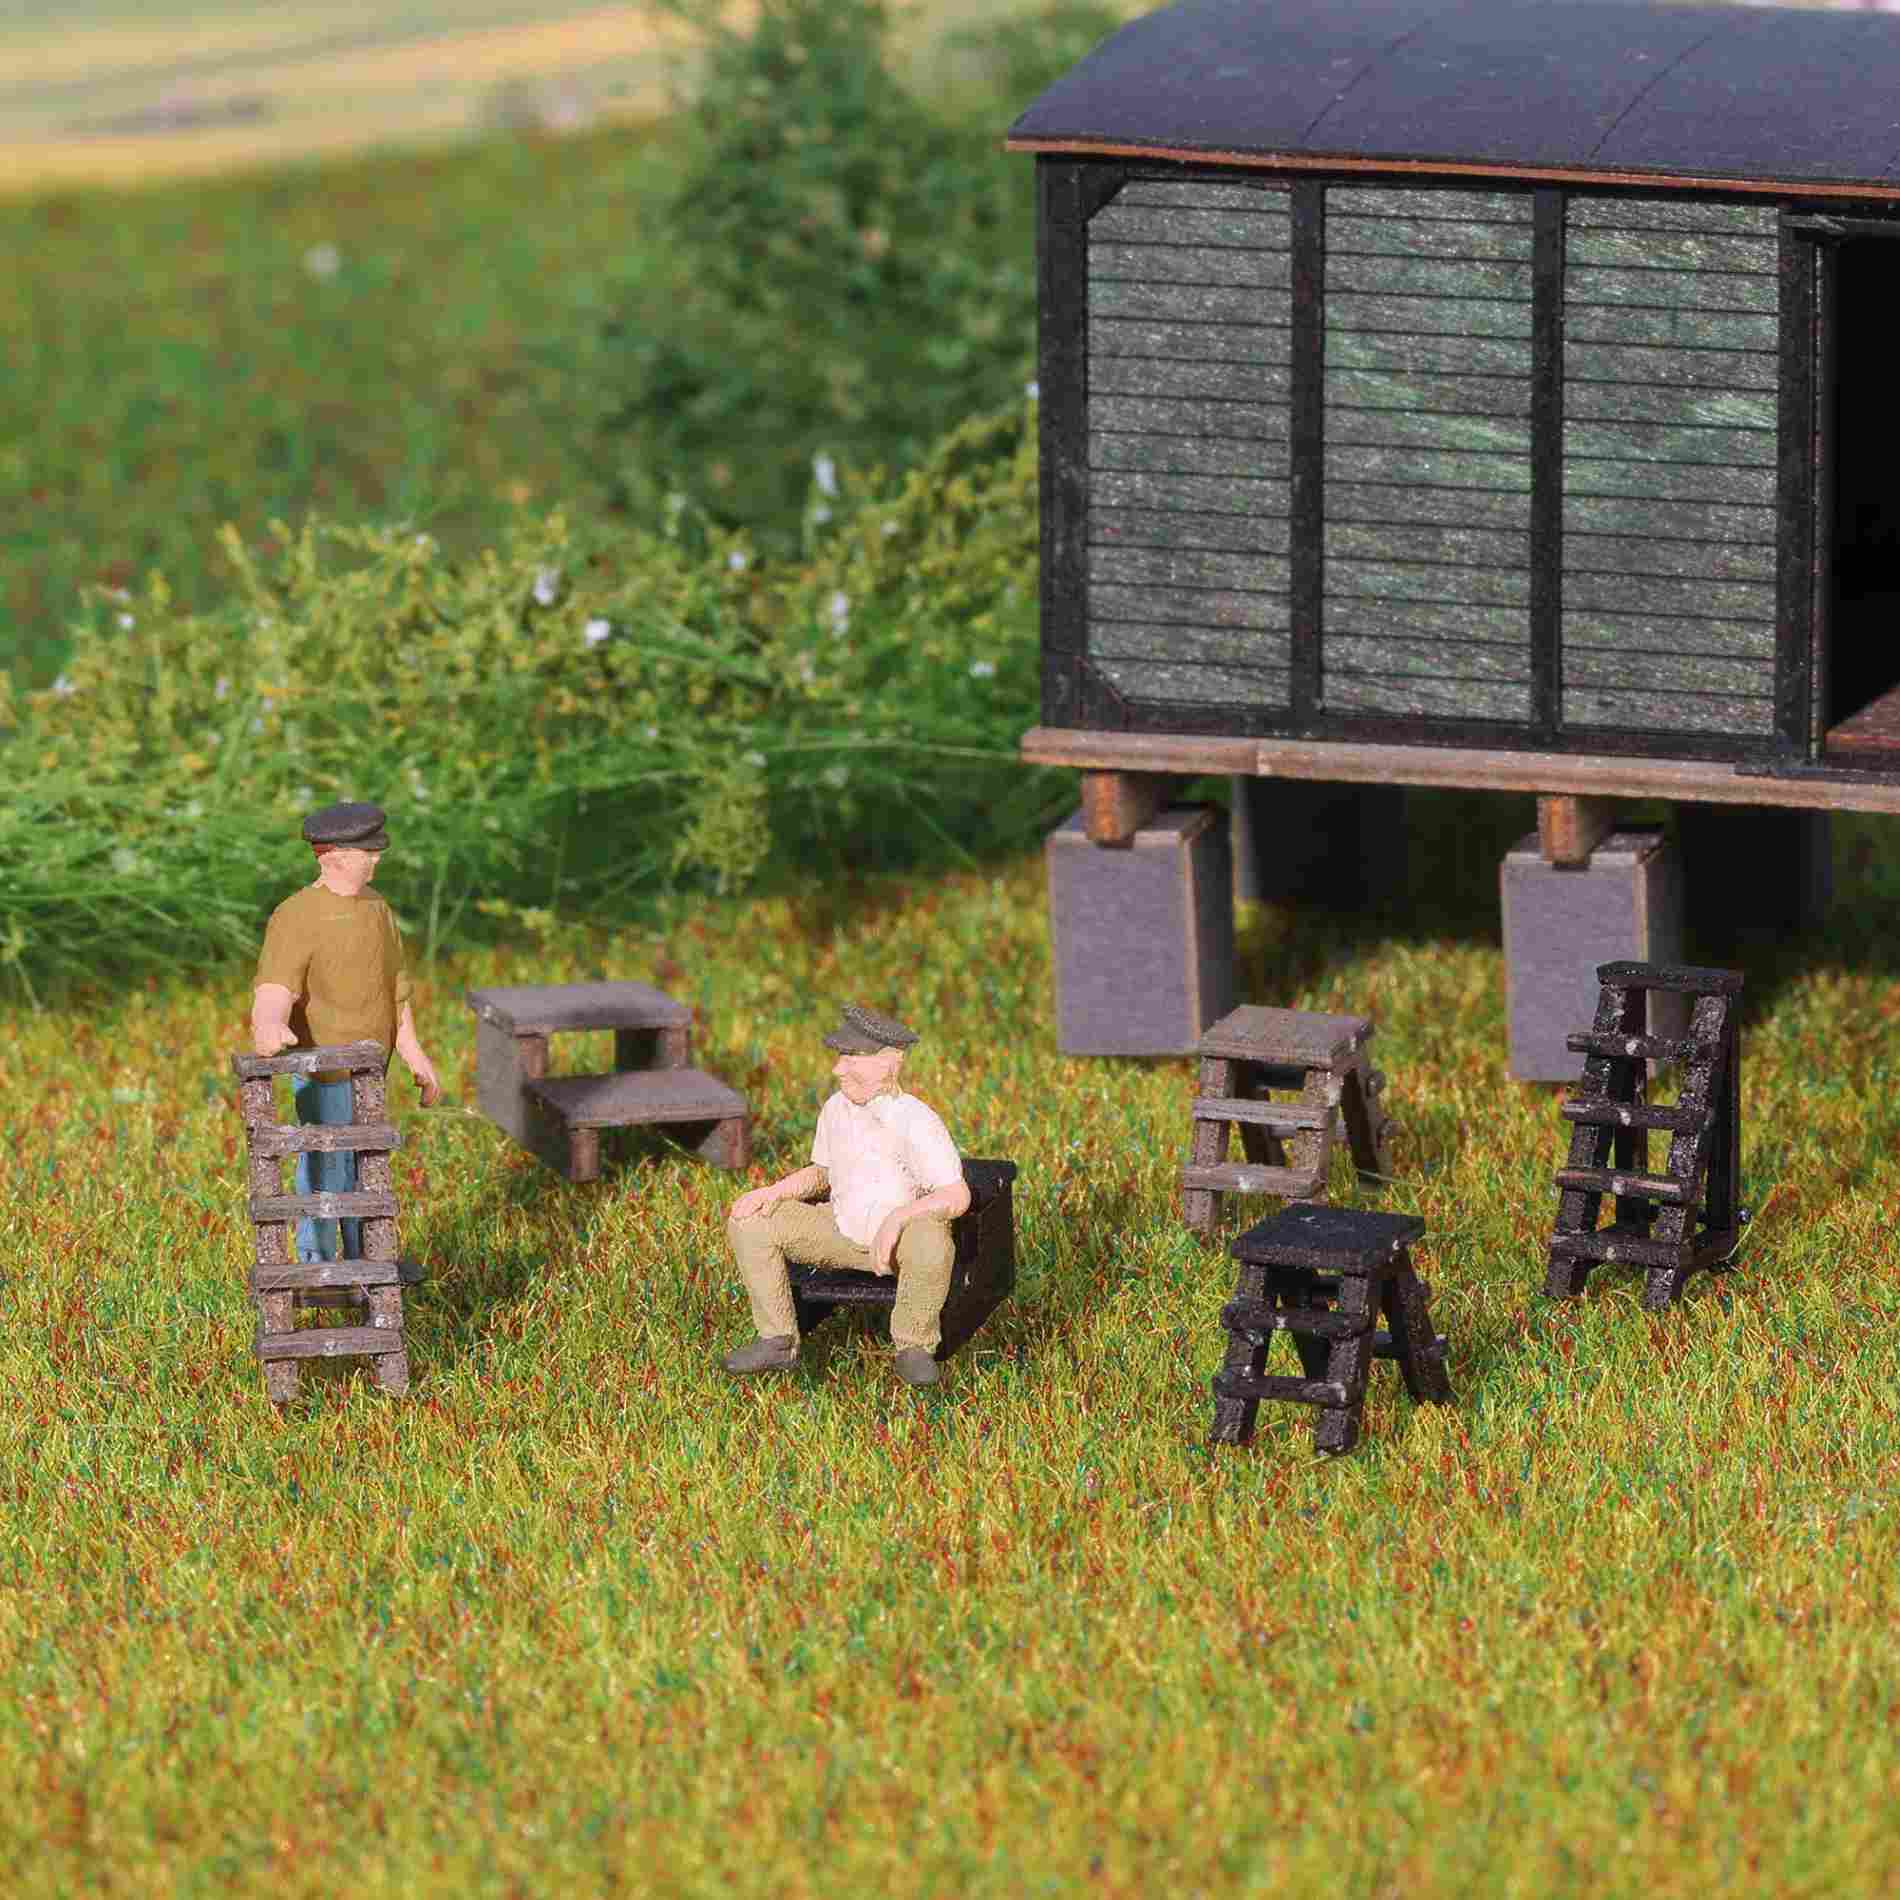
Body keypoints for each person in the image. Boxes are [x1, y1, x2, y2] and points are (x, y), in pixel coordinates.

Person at [723, 1004, 970, 1388]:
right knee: (750, 1221)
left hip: (899, 1244)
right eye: (840, 1057)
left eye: (852, 1058)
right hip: (840, 1229)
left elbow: (956, 1194)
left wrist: (897, 1221)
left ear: (889, 1062)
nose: (839, 1069)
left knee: (932, 1241)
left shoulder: (915, 1119)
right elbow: (823, 1172)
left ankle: (914, 1345)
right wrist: (773, 1192)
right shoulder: (835, 1110)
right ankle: (778, 1339)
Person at [250, 802, 440, 1262]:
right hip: (325, 1073)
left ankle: (366, 1259)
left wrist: (414, 1052)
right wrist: (269, 1022)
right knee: (326, 1166)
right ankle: (317, 1261)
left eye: (376, 852)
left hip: (371, 1072)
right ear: (332, 856)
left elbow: (396, 990)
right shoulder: (297, 914)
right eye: (366, 853)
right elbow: (276, 983)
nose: (376, 860)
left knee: (366, 1167)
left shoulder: (377, 909)